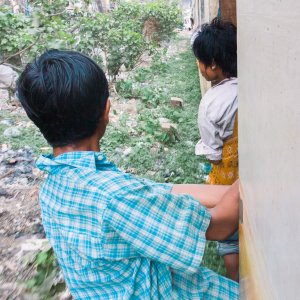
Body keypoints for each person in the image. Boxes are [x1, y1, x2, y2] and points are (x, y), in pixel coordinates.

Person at [17, 49, 239, 299]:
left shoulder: (57, 184)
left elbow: (159, 191)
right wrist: (251, 183)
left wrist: (226, 190)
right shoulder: (114, 197)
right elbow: (219, 225)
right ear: (106, 111)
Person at [192, 17, 239, 282]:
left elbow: (213, 153)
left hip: (229, 182)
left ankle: (235, 285)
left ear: (212, 66)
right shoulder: (253, 89)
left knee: (230, 239)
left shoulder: (210, 103)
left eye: (200, 60)